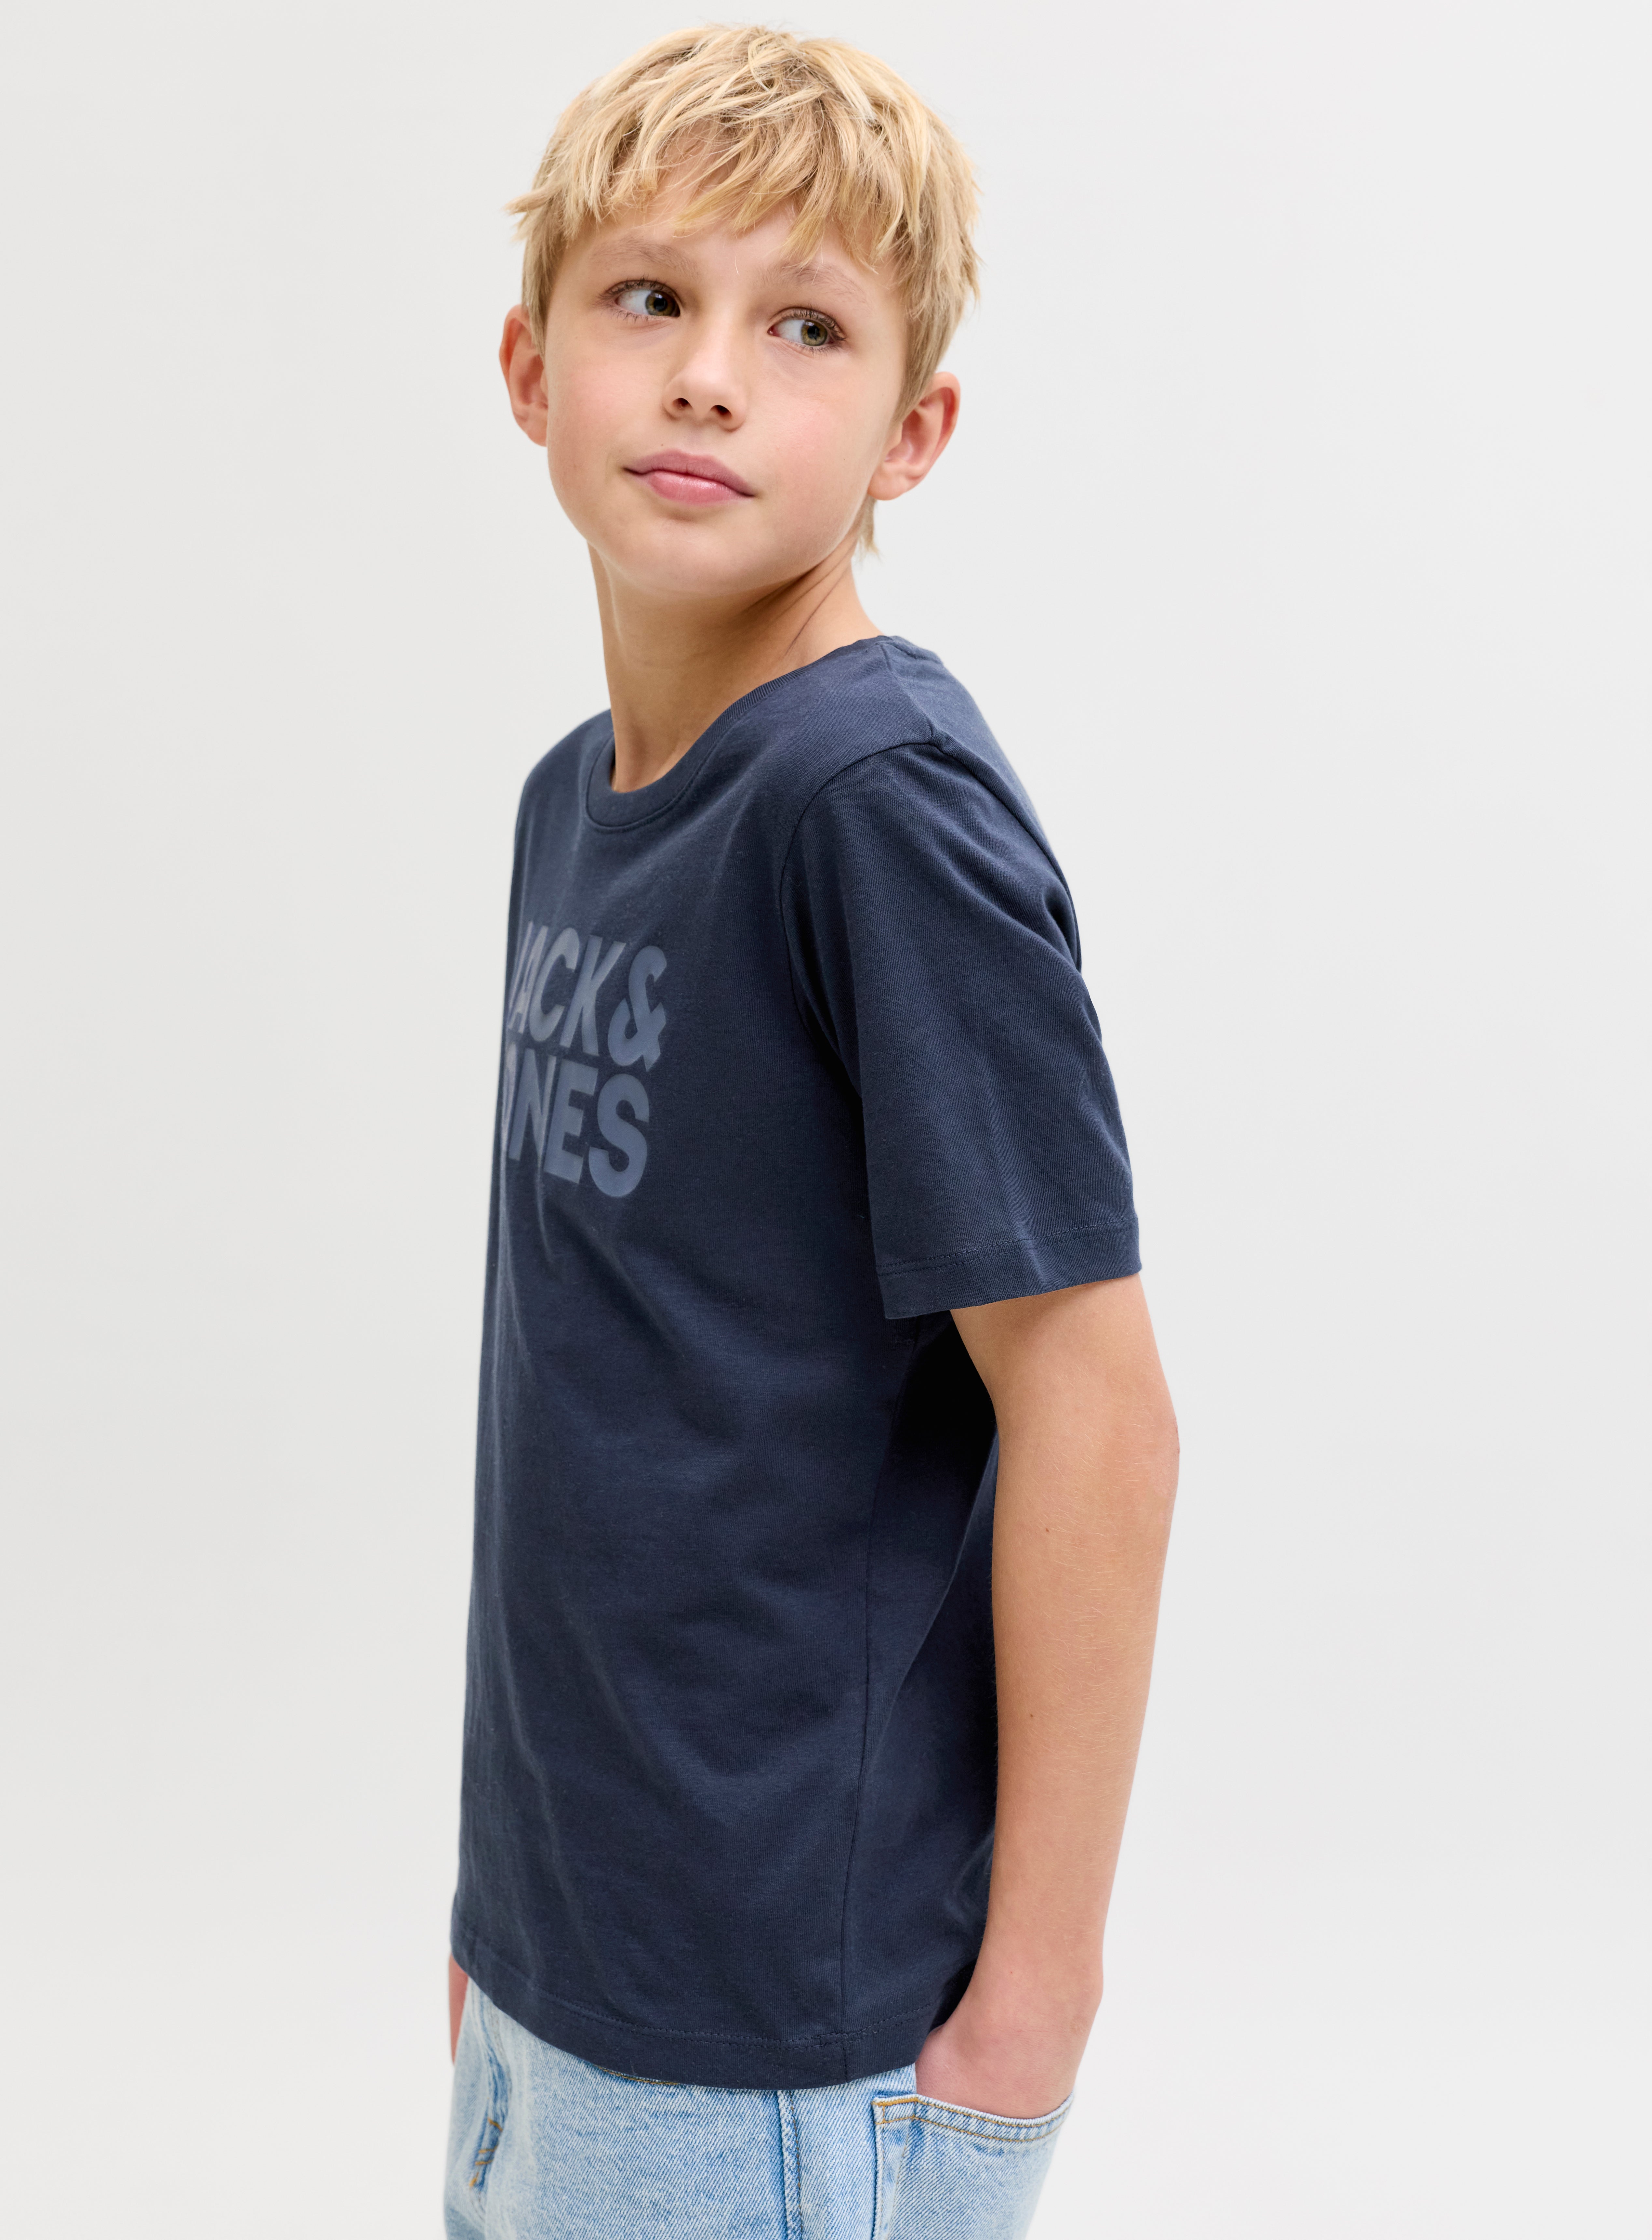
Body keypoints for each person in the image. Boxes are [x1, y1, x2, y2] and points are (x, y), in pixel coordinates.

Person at [443, 26, 1178, 2238]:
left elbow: (1096, 1408)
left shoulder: (874, 806)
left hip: (777, 2054)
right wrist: (503, 1927)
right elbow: (596, 1416)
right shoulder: (575, 804)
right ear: (530, 365)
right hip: (568, 1987)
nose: (707, 378)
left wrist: (1034, 2003)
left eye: (807, 329)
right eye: (651, 299)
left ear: (911, 431)